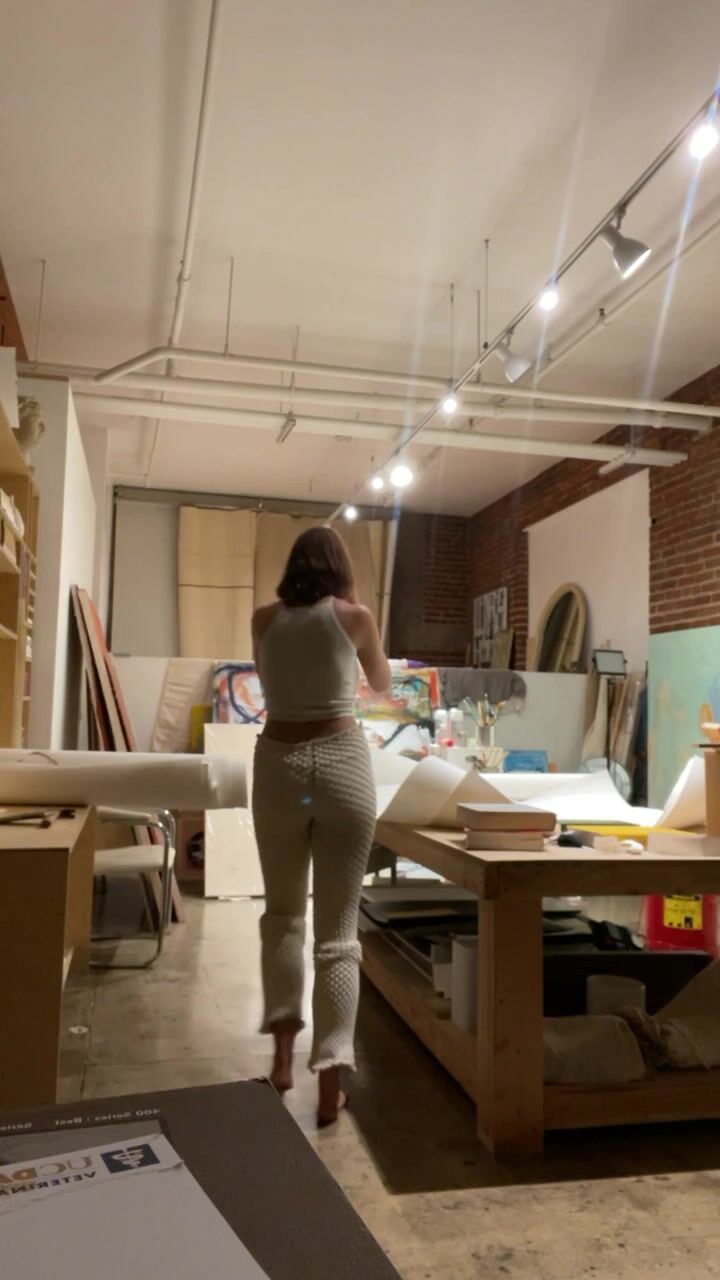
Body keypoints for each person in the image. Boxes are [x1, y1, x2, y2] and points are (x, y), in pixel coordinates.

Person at [252, 525, 391, 1126]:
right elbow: (382, 684)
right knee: (338, 933)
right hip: (341, 766)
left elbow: (272, 682)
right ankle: (331, 1088)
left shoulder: (264, 620)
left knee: (283, 916)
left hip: (279, 768)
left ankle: (282, 1063)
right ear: (340, 568)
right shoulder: (355, 618)